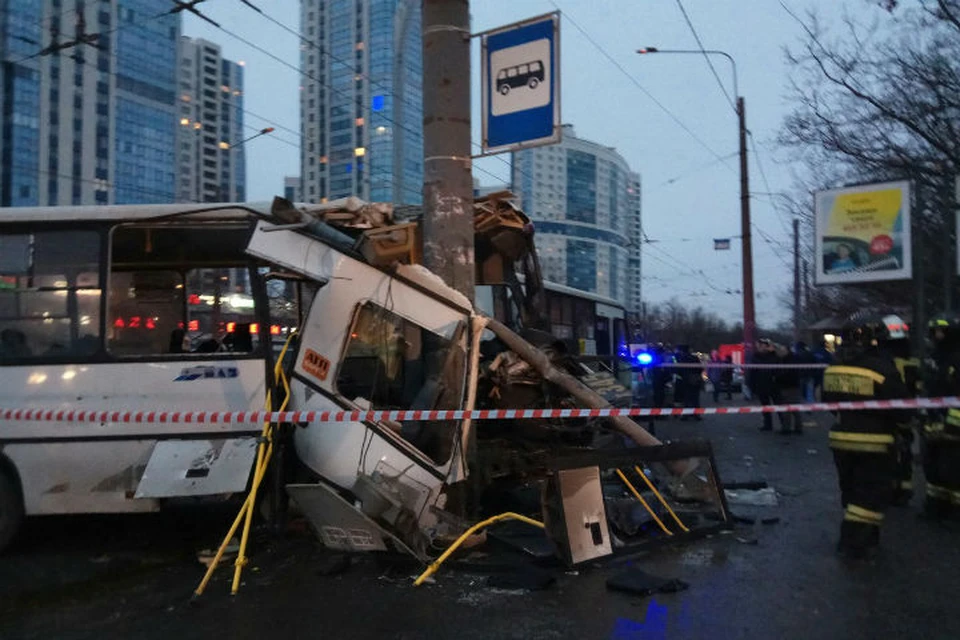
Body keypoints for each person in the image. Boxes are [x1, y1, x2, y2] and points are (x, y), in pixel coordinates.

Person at [822, 311, 910, 558]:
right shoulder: (883, 367)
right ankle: (852, 543)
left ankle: (868, 539)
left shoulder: (834, 366)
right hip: (876, 442)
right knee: (871, 494)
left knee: (852, 492)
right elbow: (901, 408)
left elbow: (829, 403)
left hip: (841, 440)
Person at [920, 311, 960, 520]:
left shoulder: (956, 358)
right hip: (934, 422)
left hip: (954, 427)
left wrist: (951, 424)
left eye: (941, 332)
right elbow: (929, 386)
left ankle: (953, 511)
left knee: (953, 470)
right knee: (933, 468)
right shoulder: (934, 357)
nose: (937, 336)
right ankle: (935, 506)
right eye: (934, 331)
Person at [749, 338, 788, 432]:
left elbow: (780, 368)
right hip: (762, 385)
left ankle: (784, 425)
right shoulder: (755, 357)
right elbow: (752, 373)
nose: (760, 347)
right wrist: (753, 385)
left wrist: (776, 378)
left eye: (762, 345)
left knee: (778, 406)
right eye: (759, 345)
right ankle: (768, 424)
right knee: (765, 406)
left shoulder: (774, 356)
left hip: (773, 385)